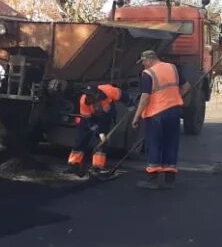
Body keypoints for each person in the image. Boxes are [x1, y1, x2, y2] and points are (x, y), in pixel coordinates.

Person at [131, 50, 191, 189]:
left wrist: (136, 116)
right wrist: (177, 97)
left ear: (149, 60)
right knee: (171, 143)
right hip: (174, 111)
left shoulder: (148, 73)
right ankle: (170, 180)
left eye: (143, 62)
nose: (143, 66)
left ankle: (152, 180)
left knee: (155, 144)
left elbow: (145, 97)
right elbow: (187, 86)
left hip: (156, 114)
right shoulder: (172, 68)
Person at [67, 83, 122, 174]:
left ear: (97, 94)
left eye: (90, 95)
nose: (88, 97)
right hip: (89, 118)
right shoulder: (84, 100)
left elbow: (124, 96)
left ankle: (97, 167)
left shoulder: (109, 91)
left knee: (102, 141)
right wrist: (95, 128)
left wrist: (130, 105)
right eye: (87, 95)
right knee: (81, 139)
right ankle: (74, 164)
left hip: (105, 117)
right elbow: (87, 119)